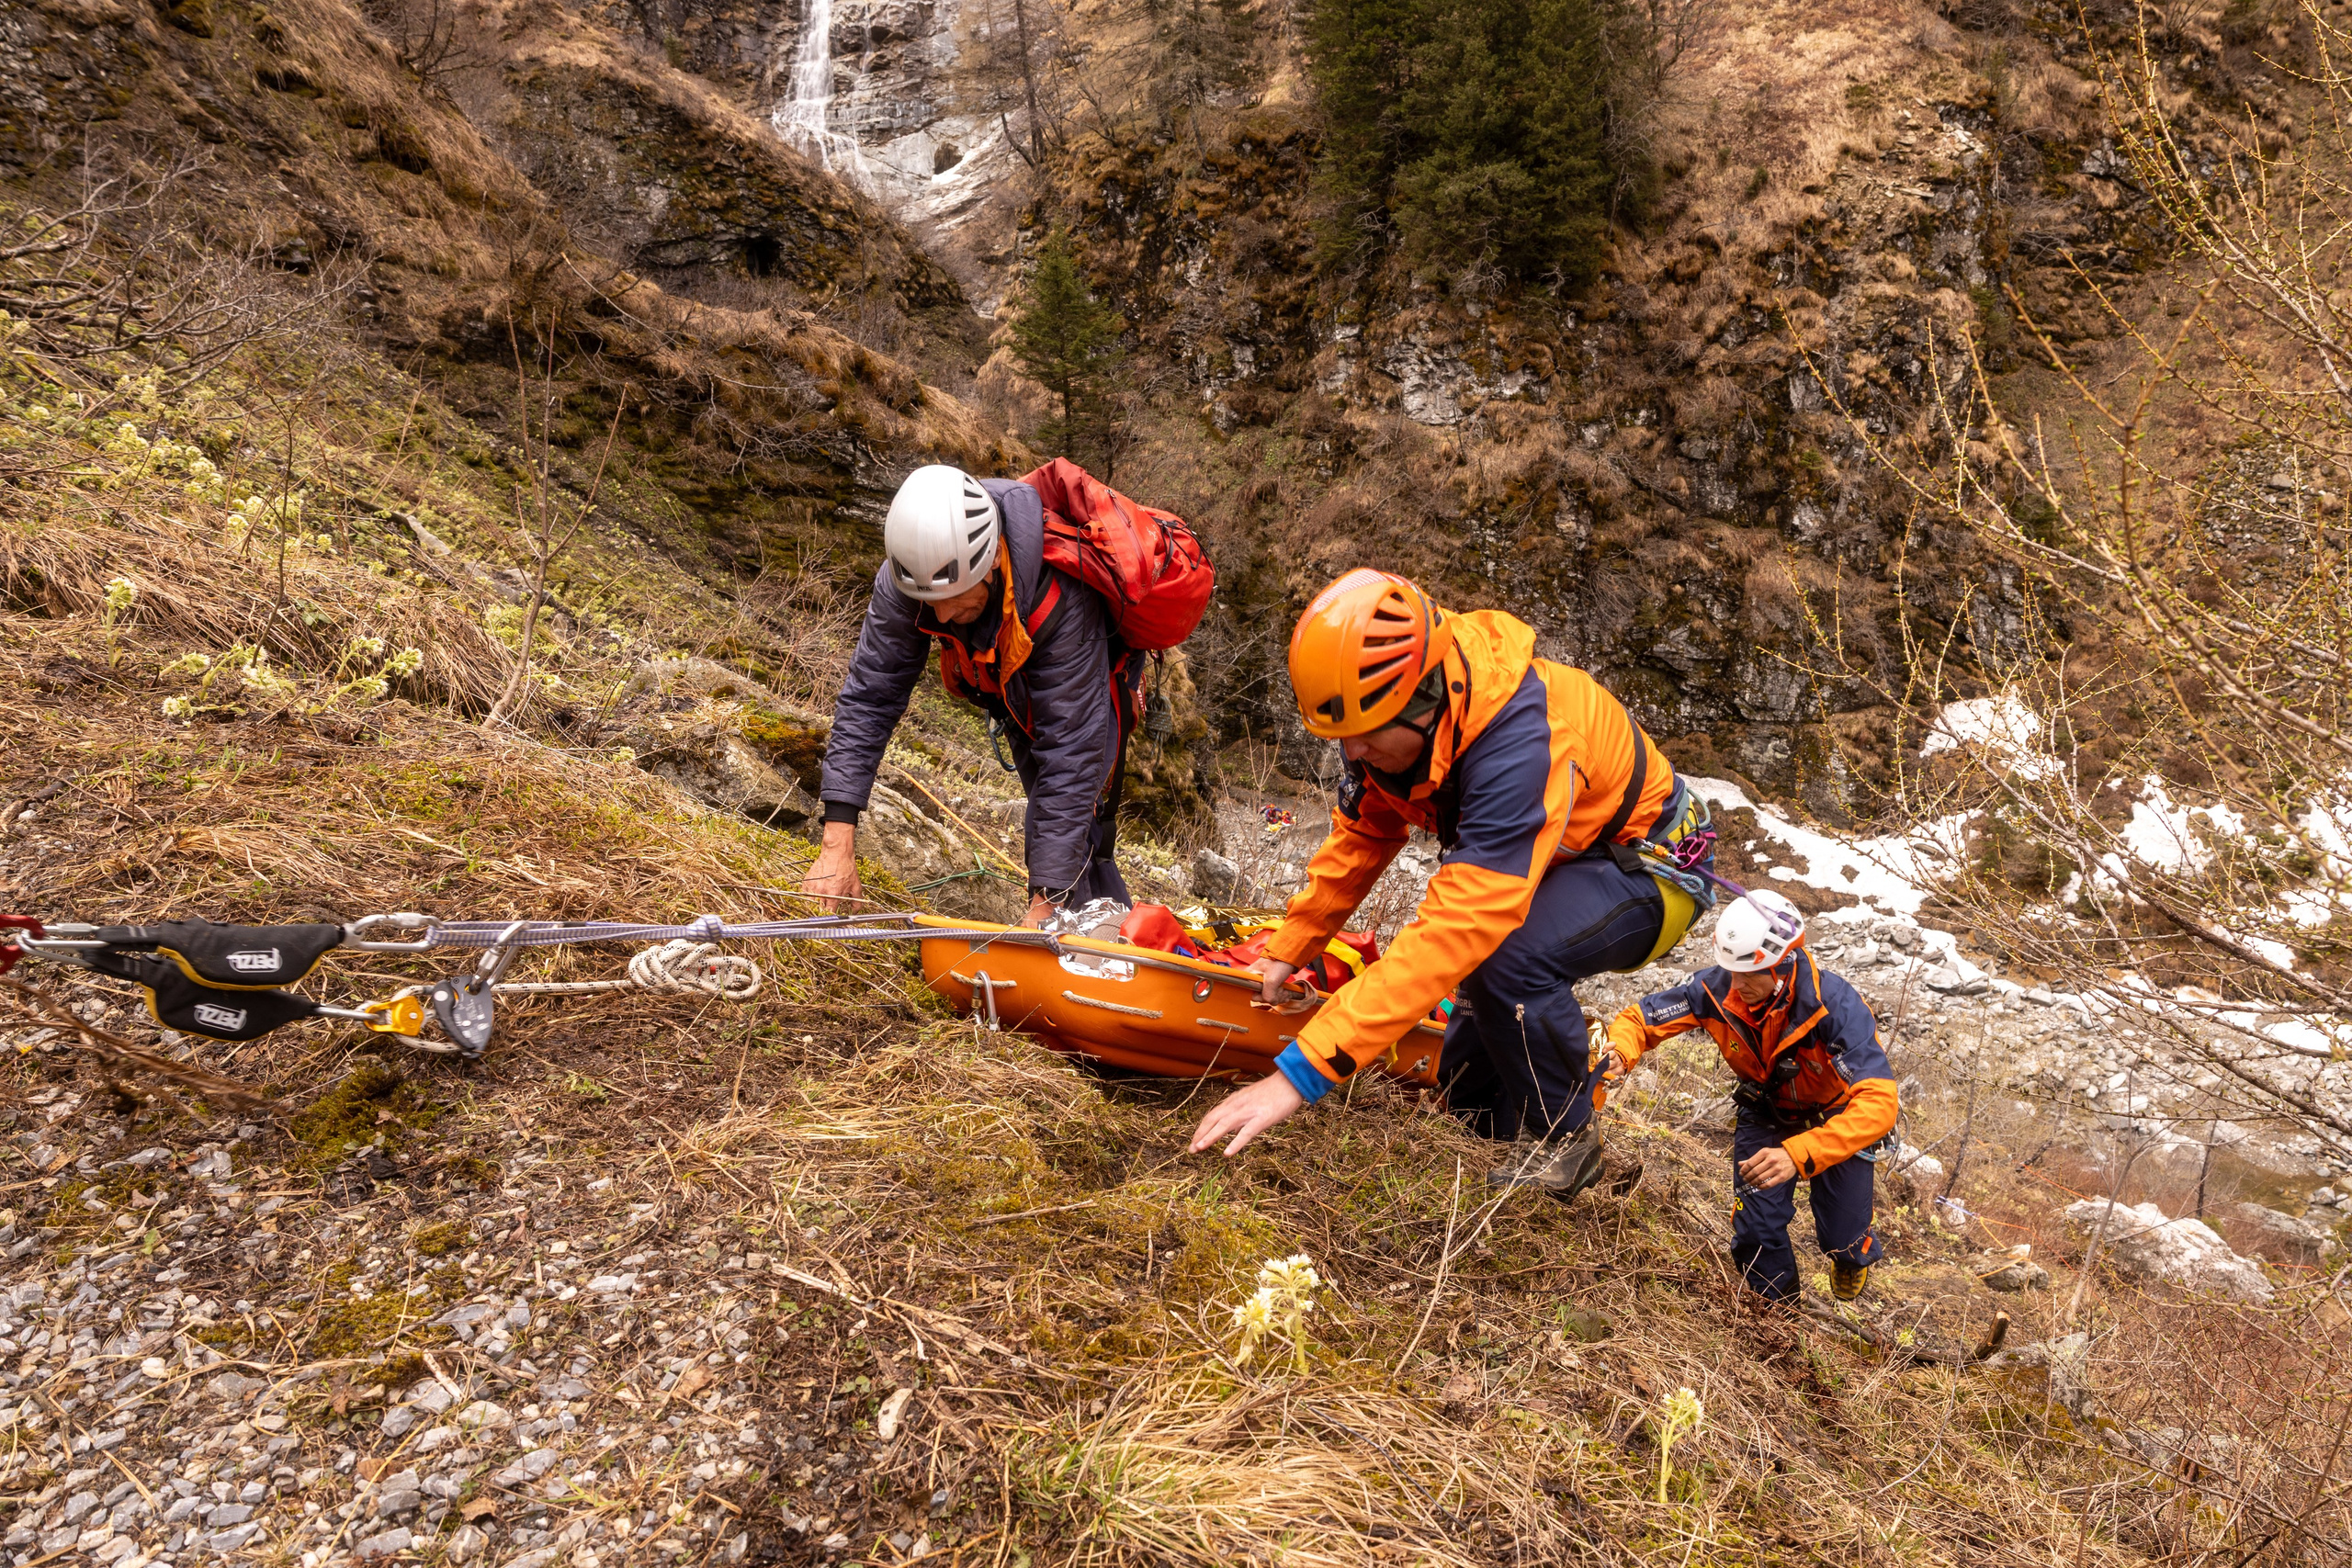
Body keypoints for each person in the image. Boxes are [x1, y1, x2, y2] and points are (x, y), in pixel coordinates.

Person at [1185, 569, 1716, 1195]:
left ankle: (1567, 1145)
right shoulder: (1398, 732)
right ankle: (1486, 1135)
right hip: (1564, 860)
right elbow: (1363, 836)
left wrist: (1297, 1076)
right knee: (1468, 1080)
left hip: (1652, 867)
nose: (1351, 753)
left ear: (1421, 699)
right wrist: (1290, 947)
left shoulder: (1519, 744)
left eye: (1364, 736)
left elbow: (1455, 930)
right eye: (1340, 737)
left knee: (1503, 959)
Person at [802, 465, 1142, 927]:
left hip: (1088, 674)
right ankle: (1074, 919)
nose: (942, 614)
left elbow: (1071, 755)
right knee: (1048, 810)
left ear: (990, 562)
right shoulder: (911, 575)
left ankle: (1090, 929)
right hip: (1004, 675)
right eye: (931, 602)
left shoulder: (1061, 591)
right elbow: (869, 698)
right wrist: (836, 845)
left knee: (1075, 810)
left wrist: (1045, 903)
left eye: (956, 596)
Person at [1600, 890, 1898, 1302]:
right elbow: (1642, 1019)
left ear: (1782, 966)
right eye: (1730, 972)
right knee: (1756, 1230)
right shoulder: (1717, 988)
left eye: (1747, 975)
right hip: (1768, 1110)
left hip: (1834, 1117)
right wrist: (1619, 1051)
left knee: (1841, 1237)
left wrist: (1797, 1154)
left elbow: (1879, 1104)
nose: (1735, 986)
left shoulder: (1836, 1007)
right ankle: (1777, 1315)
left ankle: (1851, 1257)